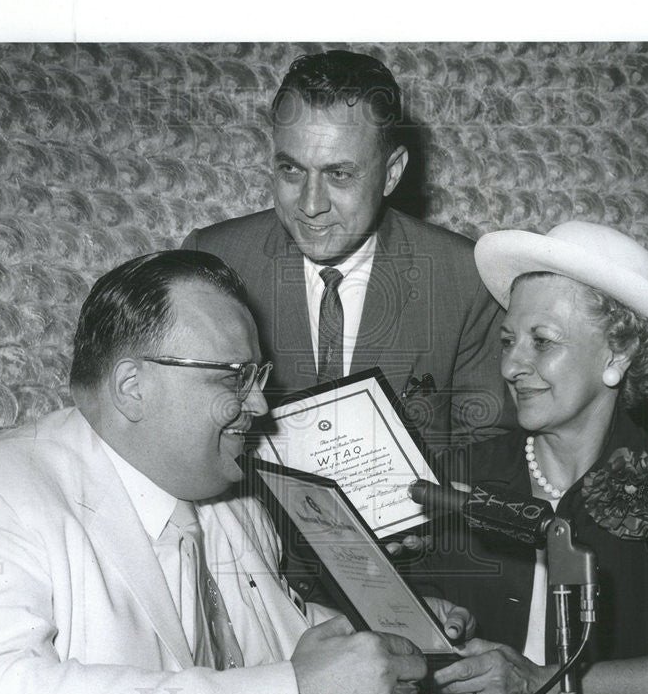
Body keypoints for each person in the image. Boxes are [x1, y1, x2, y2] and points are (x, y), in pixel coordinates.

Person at [0, 250, 477, 694]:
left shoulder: (234, 500)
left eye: (257, 374)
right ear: (132, 388)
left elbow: (264, 630)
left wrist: (384, 638)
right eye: (234, 377)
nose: (261, 404)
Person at [417, 221, 648, 694]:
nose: (511, 366)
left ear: (618, 351)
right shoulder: (457, 476)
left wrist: (537, 684)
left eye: (542, 342)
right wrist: (423, 618)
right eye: (507, 340)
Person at [182, 49, 512, 453]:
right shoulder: (212, 260)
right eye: (291, 170)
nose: (311, 203)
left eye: (338, 175)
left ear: (391, 173)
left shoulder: (464, 278)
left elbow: (486, 451)